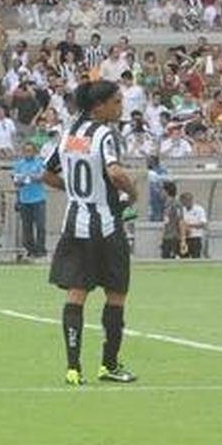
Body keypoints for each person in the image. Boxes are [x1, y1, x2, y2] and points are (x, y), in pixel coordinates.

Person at [44, 80, 138, 386]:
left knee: (76, 295)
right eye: (115, 102)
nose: (119, 106)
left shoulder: (69, 135)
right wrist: (133, 194)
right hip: (107, 227)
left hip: (75, 226)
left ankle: (73, 368)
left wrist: (72, 190)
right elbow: (115, 172)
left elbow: (46, 174)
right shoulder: (104, 134)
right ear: (99, 106)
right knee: (116, 295)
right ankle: (108, 365)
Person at [12, 142, 47, 258]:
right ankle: (30, 249)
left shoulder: (39, 163)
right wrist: (24, 179)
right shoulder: (19, 164)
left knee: (40, 226)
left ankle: (40, 249)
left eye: (30, 150)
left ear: (34, 152)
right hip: (24, 199)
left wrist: (28, 177)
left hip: (38, 199)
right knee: (27, 227)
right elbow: (16, 180)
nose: (28, 153)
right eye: (26, 151)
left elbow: (41, 177)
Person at [159, 180, 187, 258]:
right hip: (166, 237)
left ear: (166, 191)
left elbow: (181, 221)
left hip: (174, 237)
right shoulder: (166, 204)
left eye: (162, 190)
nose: (160, 192)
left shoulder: (176, 204)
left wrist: (183, 240)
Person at [180, 192, 207, 258]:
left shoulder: (199, 209)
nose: (184, 204)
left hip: (195, 238)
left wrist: (189, 225)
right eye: (183, 202)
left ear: (190, 200)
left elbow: (203, 224)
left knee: (195, 257)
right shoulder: (182, 210)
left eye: (185, 202)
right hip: (185, 238)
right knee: (183, 257)